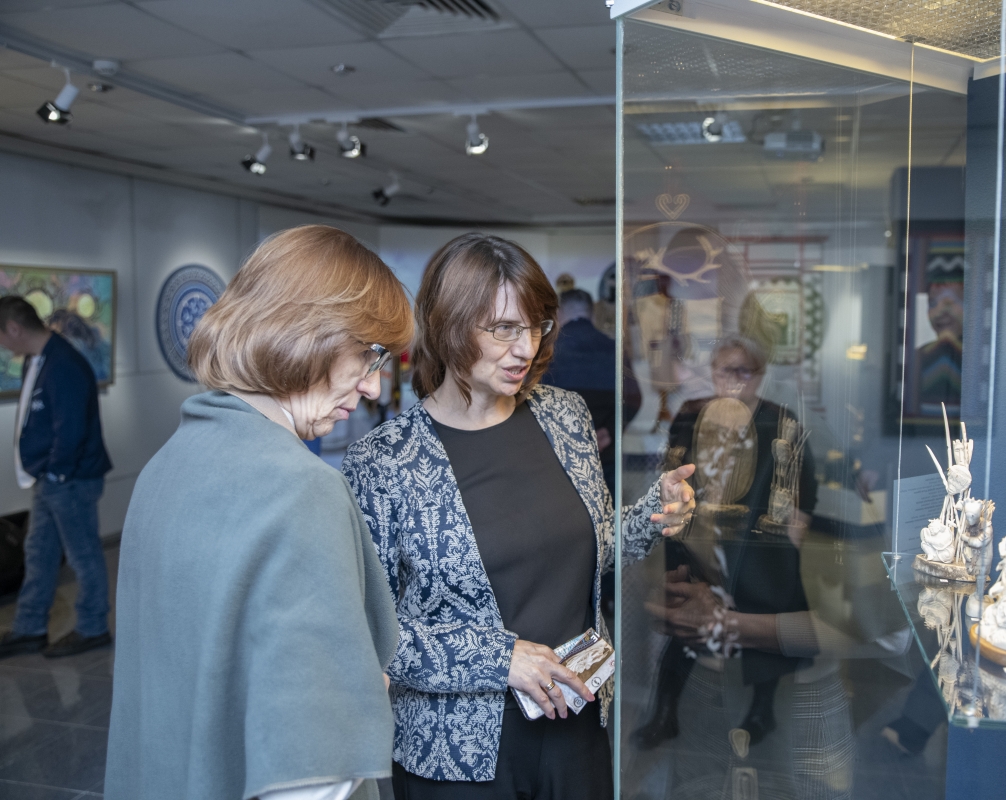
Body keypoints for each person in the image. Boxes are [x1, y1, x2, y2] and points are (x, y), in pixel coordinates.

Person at [341, 233, 696, 800]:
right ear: (449, 326)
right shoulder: (384, 460)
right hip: (457, 754)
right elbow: (368, 632)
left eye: (536, 327)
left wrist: (654, 513)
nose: (526, 347)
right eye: (504, 329)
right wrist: (500, 659)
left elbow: (594, 550)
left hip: (577, 720)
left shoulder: (565, 417)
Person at [105, 226, 411, 800]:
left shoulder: (165, 466)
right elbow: (312, 773)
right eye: (369, 356)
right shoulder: (301, 489)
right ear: (309, 335)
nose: (373, 387)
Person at [634, 336, 819, 749]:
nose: (734, 379)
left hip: (757, 548)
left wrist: (790, 546)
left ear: (759, 376)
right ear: (713, 373)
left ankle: (762, 710)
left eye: (743, 370)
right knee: (686, 623)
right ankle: (664, 712)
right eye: (725, 369)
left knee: (760, 625)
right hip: (698, 540)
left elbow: (804, 489)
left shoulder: (781, 421)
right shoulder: (691, 412)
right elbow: (671, 470)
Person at [0, 295, 113, 659]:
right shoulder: (38, 359)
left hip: (69, 481)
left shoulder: (63, 363)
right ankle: (29, 628)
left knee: (83, 556)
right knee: (39, 553)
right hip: (49, 480)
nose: (3, 345)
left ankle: (93, 628)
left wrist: (57, 474)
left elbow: (71, 429)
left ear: (14, 328)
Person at [543, 287, 641, 494]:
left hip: (559, 459)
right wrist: (609, 432)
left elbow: (535, 403)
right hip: (605, 455)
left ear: (558, 314)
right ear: (592, 313)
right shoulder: (615, 350)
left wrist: (571, 438)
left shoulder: (547, 352)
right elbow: (634, 399)